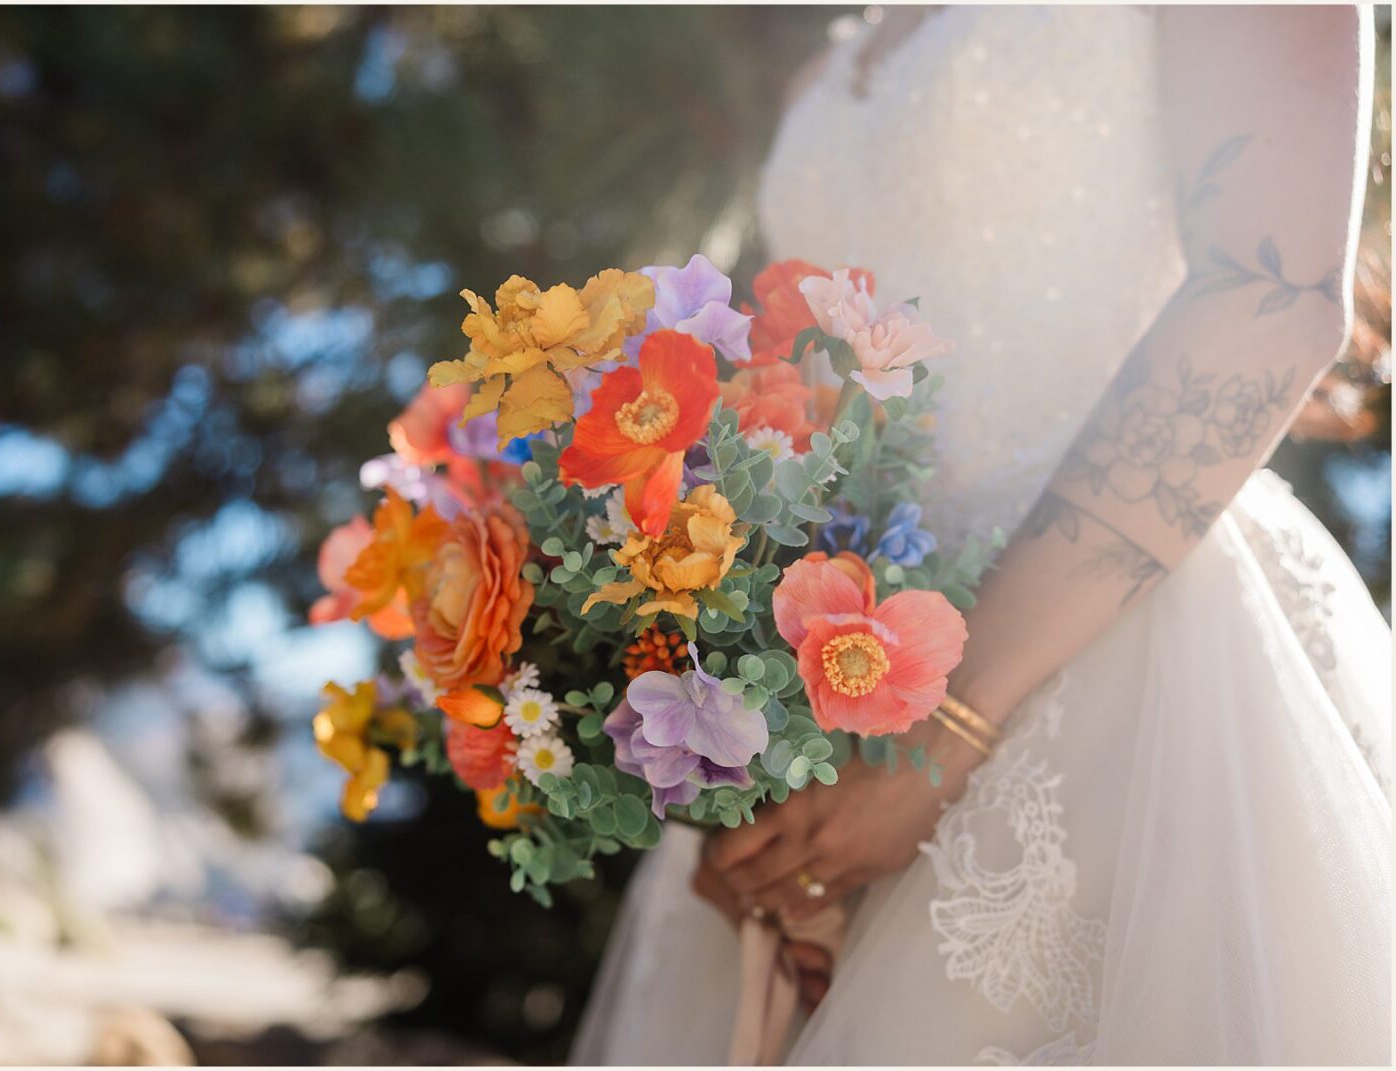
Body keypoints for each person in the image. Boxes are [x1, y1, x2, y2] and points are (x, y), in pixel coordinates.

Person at [572, 6, 1391, 1064]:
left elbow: (1268, 297)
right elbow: (804, 409)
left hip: (1121, 655)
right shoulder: (834, 58)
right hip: (841, 690)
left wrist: (946, 729)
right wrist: (746, 757)